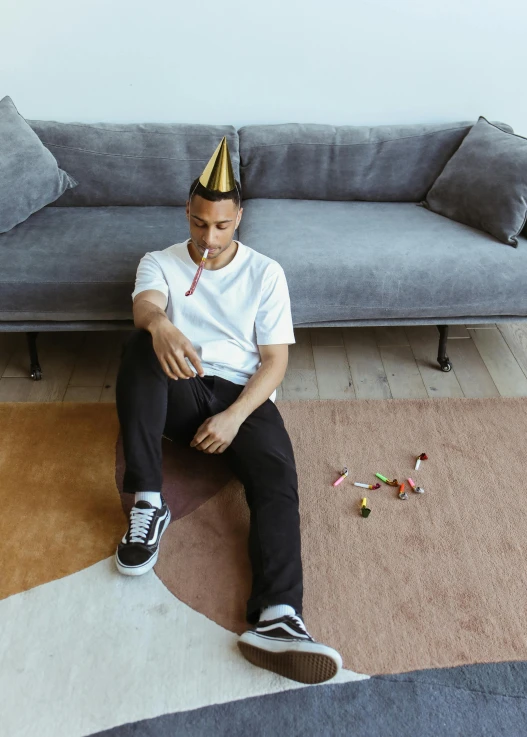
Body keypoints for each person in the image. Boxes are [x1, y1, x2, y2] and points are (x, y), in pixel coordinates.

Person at [115, 137, 342, 685]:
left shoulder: (266, 273)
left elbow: (273, 363)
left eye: (221, 226)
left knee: (278, 480)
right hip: (180, 388)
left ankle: (280, 617)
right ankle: (148, 502)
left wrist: (235, 417)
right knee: (139, 345)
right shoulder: (159, 262)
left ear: (239, 217)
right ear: (187, 214)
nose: (209, 239)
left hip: (242, 395)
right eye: (198, 224)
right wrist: (162, 323)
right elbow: (146, 303)